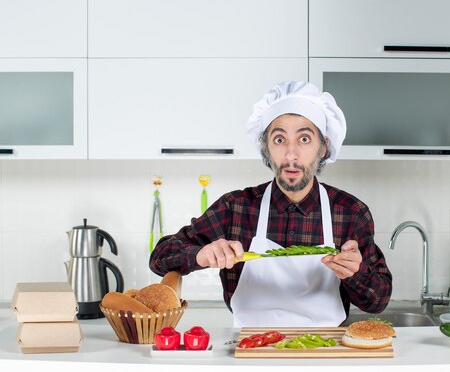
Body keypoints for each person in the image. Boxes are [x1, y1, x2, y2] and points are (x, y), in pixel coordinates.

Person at [149, 81, 392, 327]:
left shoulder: (350, 213)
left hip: (325, 353)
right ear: (266, 148)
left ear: (323, 147)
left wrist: (356, 272)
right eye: (279, 140)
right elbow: (160, 258)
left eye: (304, 139)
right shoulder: (235, 208)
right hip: (249, 351)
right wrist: (200, 254)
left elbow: (378, 301)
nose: (291, 155)